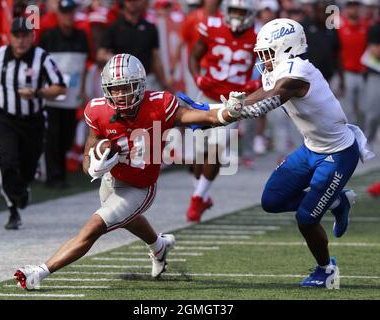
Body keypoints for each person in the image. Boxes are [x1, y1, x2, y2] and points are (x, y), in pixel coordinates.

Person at [14, 53, 236, 290]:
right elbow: (88, 157)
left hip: (140, 186)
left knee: (95, 226)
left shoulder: (159, 105)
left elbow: (202, 116)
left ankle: (40, 272)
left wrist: (228, 112)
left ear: (140, 85)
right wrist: (95, 164)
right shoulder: (97, 110)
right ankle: (159, 246)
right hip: (112, 179)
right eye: (115, 88)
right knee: (126, 219)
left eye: (126, 87)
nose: (120, 95)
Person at [193, 18, 374, 288]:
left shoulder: (298, 71)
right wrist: (211, 110)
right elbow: (262, 92)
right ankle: (337, 202)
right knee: (272, 200)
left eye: (267, 53)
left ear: (286, 48)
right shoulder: (278, 69)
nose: (263, 59)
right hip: (311, 147)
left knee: (306, 217)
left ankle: (326, 271)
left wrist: (220, 114)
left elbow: (269, 99)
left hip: (338, 153)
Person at [0, 17, 66, 229]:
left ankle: (22, 189)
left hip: (33, 121)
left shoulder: (41, 58)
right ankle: (13, 211)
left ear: (32, 37)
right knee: (6, 161)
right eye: (17, 36)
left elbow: (60, 87)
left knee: (28, 169)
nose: (21, 41)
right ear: (10, 37)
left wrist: (38, 93)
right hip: (5, 118)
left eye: (25, 36)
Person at [187, 0, 259, 222]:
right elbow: (194, 57)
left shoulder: (257, 39)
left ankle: (198, 199)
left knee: (216, 149)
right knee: (199, 155)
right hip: (207, 97)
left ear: (250, 14)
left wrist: (255, 85)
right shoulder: (212, 27)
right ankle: (201, 194)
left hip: (232, 102)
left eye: (241, 11)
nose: (237, 15)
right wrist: (198, 77)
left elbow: (266, 69)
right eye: (234, 10)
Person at [39, 0, 90, 189]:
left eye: (71, 12)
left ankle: (60, 173)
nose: (68, 16)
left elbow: (83, 65)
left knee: (66, 136)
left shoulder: (82, 37)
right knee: (52, 136)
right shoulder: (48, 36)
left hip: (72, 96)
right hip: (53, 96)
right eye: (64, 12)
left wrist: (83, 90)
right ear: (58, 14)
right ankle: (54, 175)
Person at [99, 0, 171, 92]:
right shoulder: (114, 28)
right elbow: (101, 55)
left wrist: (164, 83)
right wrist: (117, 59)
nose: (132, 2)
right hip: (122, 82)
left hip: (146, 80)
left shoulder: (150, 28)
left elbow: (155, 59)